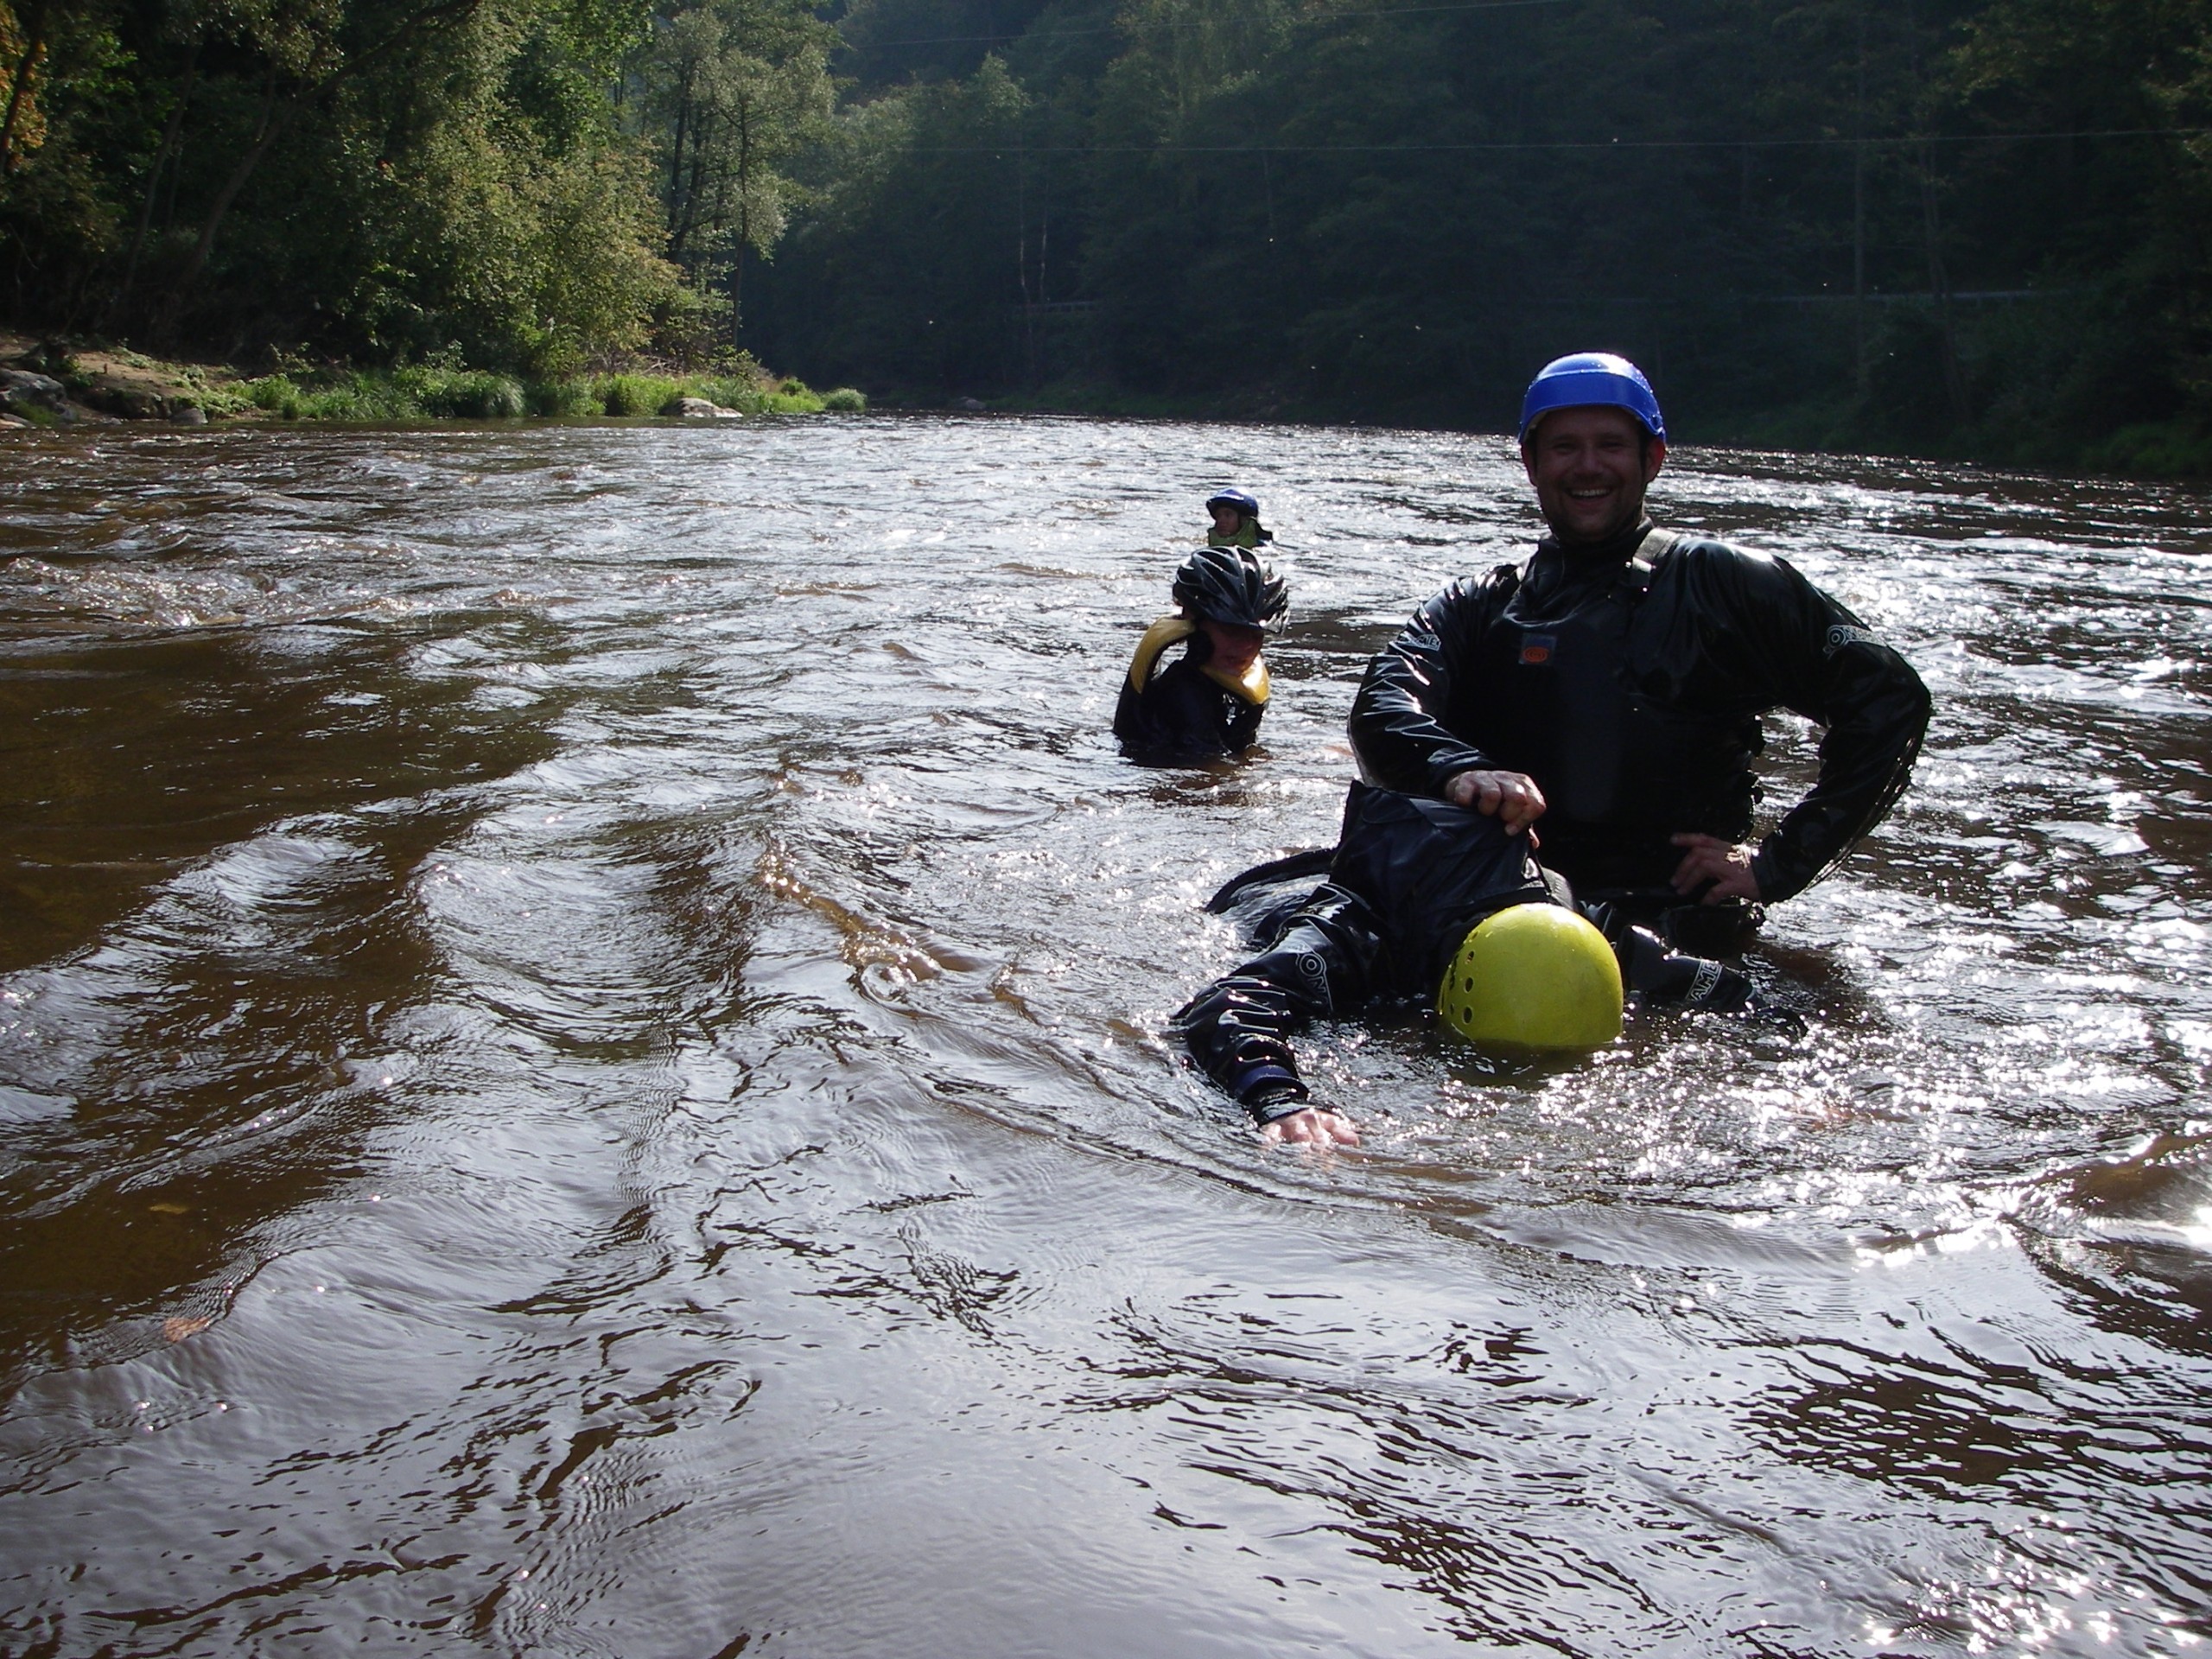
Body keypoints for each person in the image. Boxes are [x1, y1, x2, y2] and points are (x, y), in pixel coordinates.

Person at [1349, 352, 1931, 957]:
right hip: (1506, 914)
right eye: (1565, 447)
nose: (1588, 467)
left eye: (1611, 445)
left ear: (1651, 458)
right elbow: (1383, 702)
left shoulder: (1724, 584)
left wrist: (1779, 862)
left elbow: (1890, 700)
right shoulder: (1479, 603)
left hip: (1673, 932)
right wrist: (1457, 768)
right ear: (1532, 464)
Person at [1178, 781, 1771, 1147]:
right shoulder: (1353, 936)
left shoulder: (1583, 932)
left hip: (1471, 876)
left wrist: (1780, 1045)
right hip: (1276, 891)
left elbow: (1719, 986)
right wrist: (1280, 1101)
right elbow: (1225, 1006)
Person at [1115, 543, 1287, 763]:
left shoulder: (1216, 683)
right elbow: (1213, 766)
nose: (1246, 646)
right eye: (1231, 631)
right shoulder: (1183, 692)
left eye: (1256, 635)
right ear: (1193, 622)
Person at [1205, 488, 1274, 550]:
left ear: (1244, 519)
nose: (1220, 520)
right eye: (1218, 516)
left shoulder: (1263, 547)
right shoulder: (1209, 545)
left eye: (1228, 515)